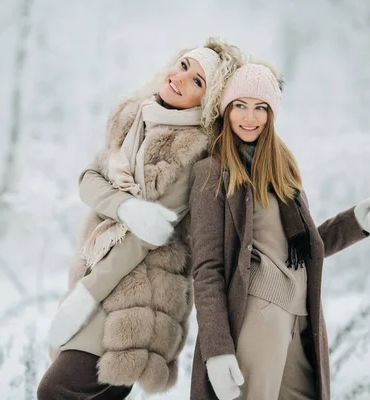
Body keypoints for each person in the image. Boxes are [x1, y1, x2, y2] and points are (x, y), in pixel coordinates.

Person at [37, 38, 244, 400]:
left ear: (207, 102)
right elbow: (88, 180)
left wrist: (85, 297)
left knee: (56, 391)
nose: (181, 78)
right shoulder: (133, 118)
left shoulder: (193, 152)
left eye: (198, 81)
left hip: (137, 301)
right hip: (98, 276)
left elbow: (144, 238)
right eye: (183, 66)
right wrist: (126, 207)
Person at [189, 63, 370, 400]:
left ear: (271, 114)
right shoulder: (212, 173)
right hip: (258, 313)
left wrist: (354, 224)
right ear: (226, 110)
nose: (249, 117)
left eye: (260, 107)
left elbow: (302, 246)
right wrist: (217, 349)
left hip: (302, 316)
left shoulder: (282, 172)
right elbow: (207, 269)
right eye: (240, 105)